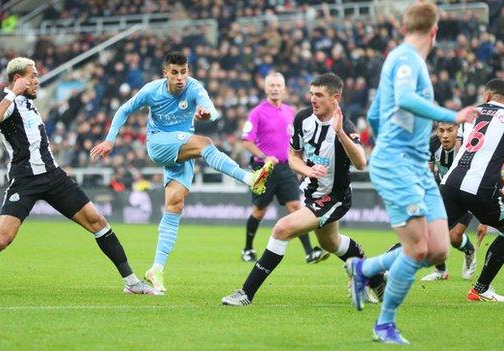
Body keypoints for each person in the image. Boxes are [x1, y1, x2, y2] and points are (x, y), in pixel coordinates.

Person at [0, 57, 161, 296]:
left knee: (98, 222)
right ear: (17, 79)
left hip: (53, 176)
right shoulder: (8, 102)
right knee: (1, 240)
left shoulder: (23, 103)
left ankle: (132, 282)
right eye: (32, 76)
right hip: (25, 180)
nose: (37, 81)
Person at [344, 2, 478, 344]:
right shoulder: (406, 59)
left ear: (406, 27)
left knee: (438, 249)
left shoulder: (403, 59)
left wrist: (387, 136)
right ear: (434, 32)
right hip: (398, 163)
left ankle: (363, 269)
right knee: (417, 249)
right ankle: (384, 325)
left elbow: (375, 113)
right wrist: (452, 115)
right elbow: (403, 99)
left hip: (416, 164)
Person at [91, 51, 273, 294]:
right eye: (174, 73)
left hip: (183, 148)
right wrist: (110, 140)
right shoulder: (152, 90)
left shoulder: (195, 88)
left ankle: (156, 269)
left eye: (183, 72)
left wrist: (207, 113)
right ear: (165, 73)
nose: (180, 77)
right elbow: (124, 110)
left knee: (175, 204)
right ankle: (249, 177)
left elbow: (211, 108)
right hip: (159, 143)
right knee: (205, 142)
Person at [221, 73, 386, 306]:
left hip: (335, 197)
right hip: (311, 192)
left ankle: (246, 293)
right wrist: (307, 171)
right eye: (311, 94)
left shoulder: (345, 126)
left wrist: (340, 133)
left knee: (282, 228)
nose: (313, 99)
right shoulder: (302, 119)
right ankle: (377, 277)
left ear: (335, 98)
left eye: (319, 95)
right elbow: (293, 157)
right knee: (331, 243)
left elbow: (361, 163)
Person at [441, 79, 504, 302]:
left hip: (451, 183)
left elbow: (461, 149)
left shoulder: (470, 113)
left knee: (427, 234)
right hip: (482, 189)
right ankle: (480, 288)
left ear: (487, 96)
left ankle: (377, 272)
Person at [241, 72, 328, 264]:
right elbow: (246, 141)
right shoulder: (257, 112)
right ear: (265, 88)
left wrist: (300, 166)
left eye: (278, 85)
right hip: (264, 168)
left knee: (295, 207)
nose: (274, 88)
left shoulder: (291, 112)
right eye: (271, 85)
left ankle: (309, 252)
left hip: (286, 168)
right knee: (260, 210)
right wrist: (264, 157)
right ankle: (247, 249)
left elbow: (298, 143)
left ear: (284, 88)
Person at [421, 122, 486, 281]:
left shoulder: (468, 147)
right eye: (441, 130)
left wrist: (484, 221)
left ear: (458, 131)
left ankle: (469, 251)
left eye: (450, 130)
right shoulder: (432, 143)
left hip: (465, 194)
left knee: (455, 238)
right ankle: (441, 271)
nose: (445, 135)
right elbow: (428, 173)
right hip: (443, 193)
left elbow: (483, 177)